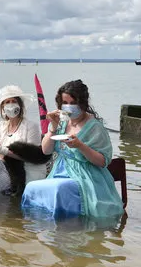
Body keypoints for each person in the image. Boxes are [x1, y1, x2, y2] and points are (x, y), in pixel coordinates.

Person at [21, 80, 124, 219]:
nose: (69, 107)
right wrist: (53, 126)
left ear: (83, 102)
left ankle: (67, 229)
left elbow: (103, 161)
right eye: (65, 103)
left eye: (73, 103)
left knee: (58, 189)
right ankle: (41, 230)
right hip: (59, 173)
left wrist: (80, 146)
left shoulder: (95, 127)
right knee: (31, 187)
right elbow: (45, 151)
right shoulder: (62, 122)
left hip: (85, 176)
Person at [0, 85, 44, 198]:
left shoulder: (31, 126)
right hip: (4, 167)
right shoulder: (2, 126)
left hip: (24, 169)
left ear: (20, 104)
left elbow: (32, 157)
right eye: (7, 102)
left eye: (14, 101)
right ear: (3, 107)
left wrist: (4, 151)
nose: (11, 104)